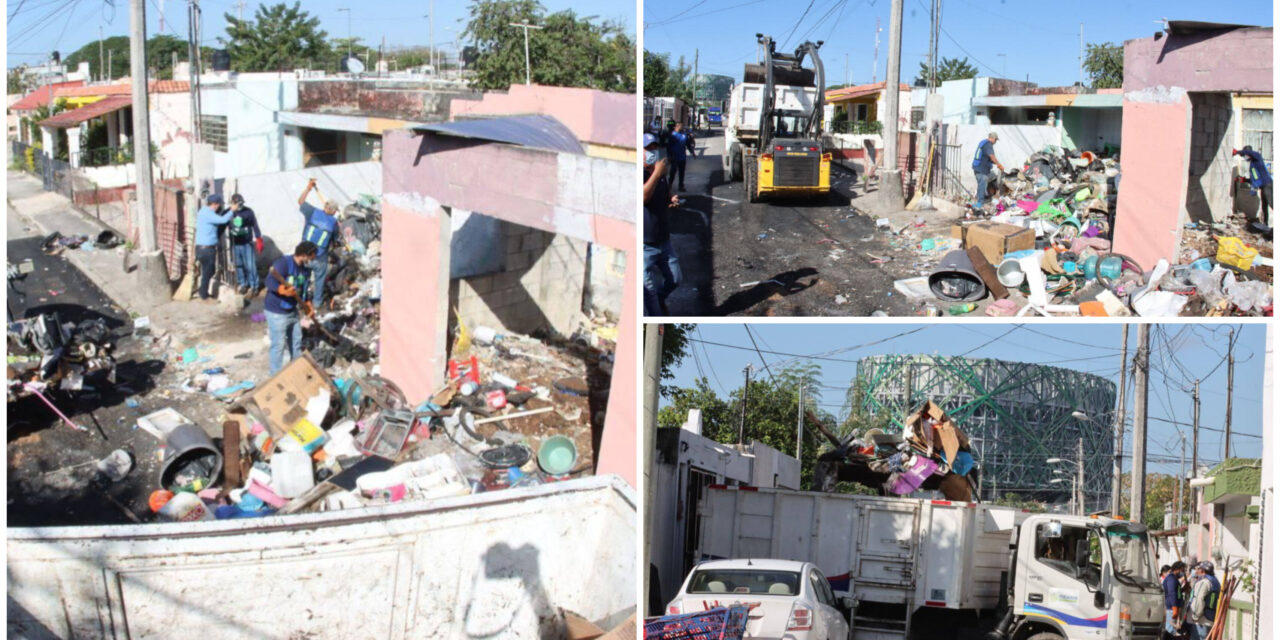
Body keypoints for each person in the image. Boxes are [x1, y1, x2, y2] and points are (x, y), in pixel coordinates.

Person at [264, 242, 317, 375]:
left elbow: (304, 290)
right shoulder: (284, 263)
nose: (312, 260)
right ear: (304, 255)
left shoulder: (305, 270)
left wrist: (308, 304)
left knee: (296, 341)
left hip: (292, 311)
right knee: (279, 345)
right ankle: (275, 376)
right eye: (311, 257)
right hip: (276, 311)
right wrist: (280, 289)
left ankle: (295, 371)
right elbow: (269, 281)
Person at [644, 133, 682, 315]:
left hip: (664, 242)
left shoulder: (660, 176)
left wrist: (671, 199)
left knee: (675, 279)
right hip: (645, 246)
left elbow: (665, 195)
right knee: (648, 293)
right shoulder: (641, 174)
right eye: (648, 148)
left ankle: (660, 299)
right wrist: (656, 173)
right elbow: (643, 197)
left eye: (654, 148)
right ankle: (656, 315)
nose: (652, 152)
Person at [296, 178, 340, 309]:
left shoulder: (313, 212)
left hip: (304, 255)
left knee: (302, 278)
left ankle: (301, 300)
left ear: (325, 206)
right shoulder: (334, 223)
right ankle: (316, 304)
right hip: (320, 258)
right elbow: (335, 241)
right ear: (334, 211)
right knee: (319, 281)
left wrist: (308, 188)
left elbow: (300, 201)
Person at [195, 193, 232, 302]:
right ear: (215, 204)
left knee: (206, 271)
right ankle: (203, 294)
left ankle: (203, 291)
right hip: (207, 249)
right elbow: (224, 220)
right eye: (219, 205)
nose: (219, 207)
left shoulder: (203, 211)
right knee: (209, 271)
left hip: (200, 248)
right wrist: (232, 211)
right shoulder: (209, 214)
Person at [227, 194, 263, 296]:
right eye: (237, 203)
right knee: (238, 265)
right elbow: (222, 223)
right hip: (235, 243)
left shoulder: (248, 212)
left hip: (247, 243)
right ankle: (243, 284)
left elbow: (254, 225)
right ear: (232, 203)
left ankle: (254, 286)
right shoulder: (229, 213)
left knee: (250, 266)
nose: (239, 205)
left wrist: (258, 238)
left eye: (241, 203)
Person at [1233, 145, 1272, 227]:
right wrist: (1244, 180)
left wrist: (1237, 152)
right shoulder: (1252, 165)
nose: (1244, 157)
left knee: (1272, 203)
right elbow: (1255, 179)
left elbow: (1249, 152)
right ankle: (1265, 224)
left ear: (1248, 153)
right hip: (1263, 186)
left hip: (1268, 185)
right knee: (1264, 206)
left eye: (1244, 156)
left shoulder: (1257, 157)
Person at [972, 132, 1005, 208]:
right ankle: (980, 203)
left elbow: (987, 158)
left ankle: (983, 199)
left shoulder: (983, 143)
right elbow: (992, 156)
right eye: (996, 140)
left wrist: (994, 163)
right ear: (993, 138)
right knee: (982, 184)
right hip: (981, 169)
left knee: (983, 184)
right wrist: (998, 164)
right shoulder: (988, 145)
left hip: (978, 168)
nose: (995, 142)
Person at [1188, 561, 1220, 640]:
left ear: (1202, 570)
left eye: (1197, 569)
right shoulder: (1215, 581)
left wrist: (1196, 616)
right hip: (1210, 618)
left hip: (1201, 620)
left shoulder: (1204, 582)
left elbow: (1199, 599)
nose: (1195, 571)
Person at [1164, 561, 1187, 638]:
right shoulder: (1171, 578)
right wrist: (1174, 607)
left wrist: (1184, 589)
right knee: (1170, 631)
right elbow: (1172, 593)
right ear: (1177, 569)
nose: (1182, 572)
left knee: (1173, 630)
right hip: (1171, 608)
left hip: (1174, 607)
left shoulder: (1174, 579)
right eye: (1182, 570)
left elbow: (1177, 592)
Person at [667, 122, 692, 191]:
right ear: (677, 126)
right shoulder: (672, 135)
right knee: (673, 172)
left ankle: (681, 186)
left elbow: (688, 144)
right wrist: (669, 156)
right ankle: (669, 185)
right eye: (681, 126)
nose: (682, 127)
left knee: (682, 172)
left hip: (682, 157)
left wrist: (692, 152)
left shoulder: (684, 135)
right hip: (674, 157)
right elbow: (668, 146)